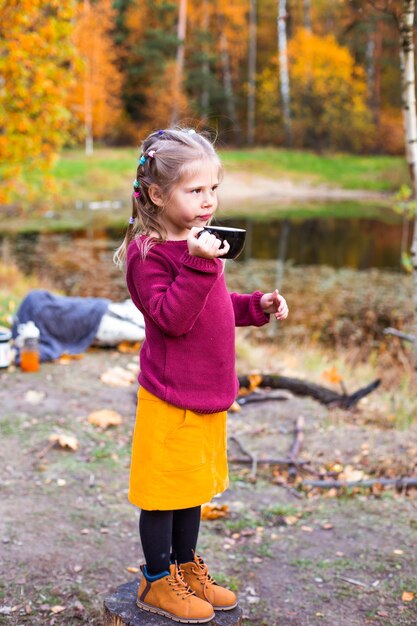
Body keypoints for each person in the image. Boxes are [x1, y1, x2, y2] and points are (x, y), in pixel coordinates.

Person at [114, 127, 289, 623]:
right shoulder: (147, 254)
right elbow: (172, 317)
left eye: (213, 189)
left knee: (191, 491)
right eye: (195, 191)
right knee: (162, 495)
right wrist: (199, 263)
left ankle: (187, 568)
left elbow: (213, 308)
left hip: (208, 395)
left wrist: (256, 306)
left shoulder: (199, 246)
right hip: (171, 399)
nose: (208, 200)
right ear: (156, 193)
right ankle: (155, 581)